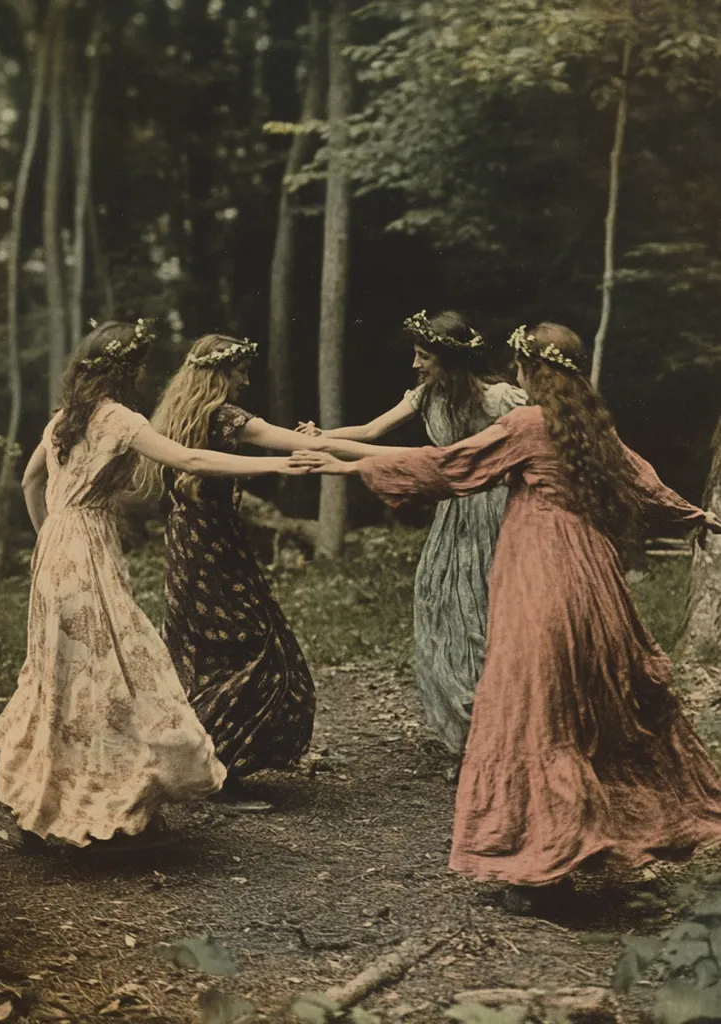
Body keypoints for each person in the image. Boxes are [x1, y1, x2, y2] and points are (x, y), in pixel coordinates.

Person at [291, 322, 721, 910]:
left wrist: (347, 468)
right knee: (584, 707)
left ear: (526, 369)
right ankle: (577, 847)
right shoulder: (591, 424)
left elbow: (449, 467)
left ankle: (538, 871)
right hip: (594, 579)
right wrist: (693, 515)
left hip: (539, 575)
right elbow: (642, 483)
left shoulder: (526, 424)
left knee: (532, 713)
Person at [0, 320, 311, 849]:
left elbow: (31, 481)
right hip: (88, 548)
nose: (144, 375)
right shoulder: (118, 417)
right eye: (139, 366)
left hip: (55, 553)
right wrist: (280, 464)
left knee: (60, 679)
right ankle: (101, 802)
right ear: (125, 370)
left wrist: (48, 536)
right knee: (114, 675)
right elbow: (191, 459)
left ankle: (47, 800)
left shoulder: (64, 420)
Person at [138, 333, 405, 806]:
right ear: (220, 374)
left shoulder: (177, 414)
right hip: (213, 549)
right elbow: (279, 441)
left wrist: (316, 441)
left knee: (206, 649)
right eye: (239, 372)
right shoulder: (225, 417)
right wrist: (316, 446)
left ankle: (204, 762)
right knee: (253, 647)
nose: (244, 381)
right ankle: (218, 769)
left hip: (188, 544)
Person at [297, 310, 526, 762]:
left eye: (424, 356)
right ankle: (466, 726)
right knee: (438, 601)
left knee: (486, 610)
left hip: (500, 513)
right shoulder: (426, 396)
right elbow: (369, 431)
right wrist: (322, 437)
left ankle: (501, 727)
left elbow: (537, 442)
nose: (415, 365)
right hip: (452, 513)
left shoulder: (502, 398)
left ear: (451, 360)